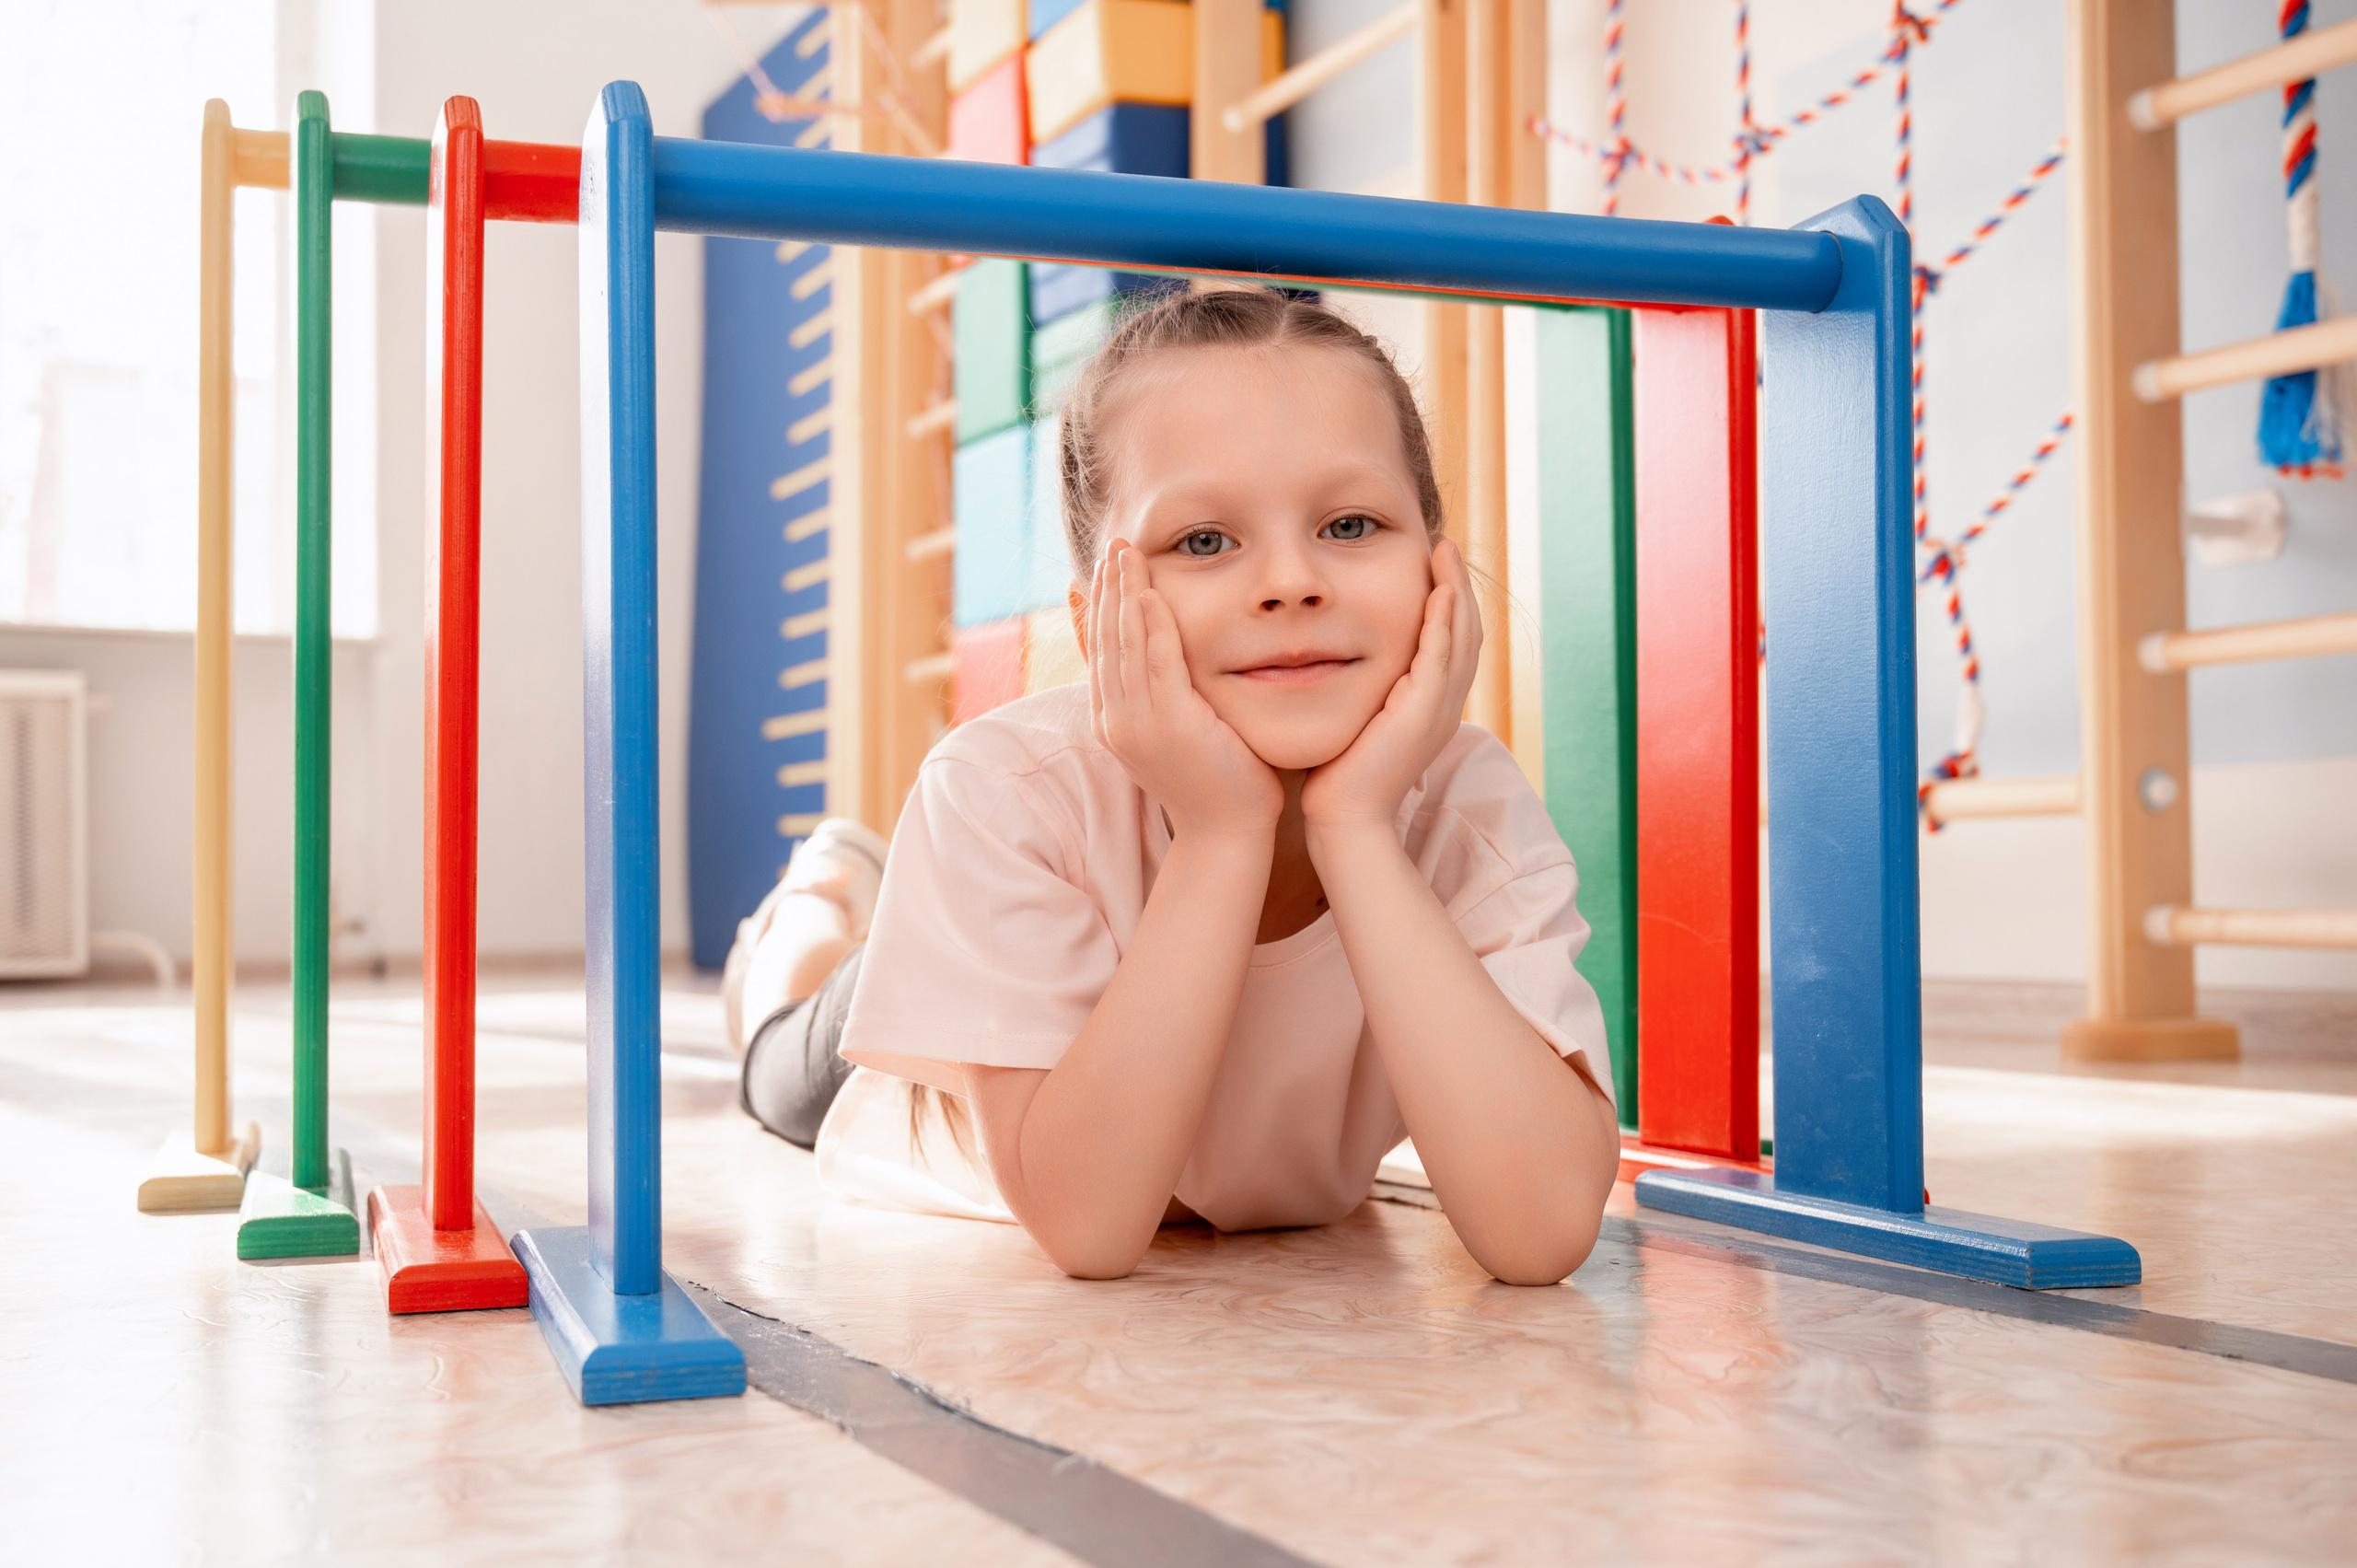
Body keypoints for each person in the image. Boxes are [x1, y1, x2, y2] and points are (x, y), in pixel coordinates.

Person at [726, 287, 1620, 1285]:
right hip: (931, 1092)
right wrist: (1221, 836)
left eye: (1352, 522)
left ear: (1436, 570)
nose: (1289, 581)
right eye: (1203, 540)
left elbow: (1540, 1231)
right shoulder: (1001, 793)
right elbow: (1092, 1228)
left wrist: (1356, 827)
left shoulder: (1466, 806)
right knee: (773, 1056)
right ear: (1097, 612)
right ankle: (815, 893)